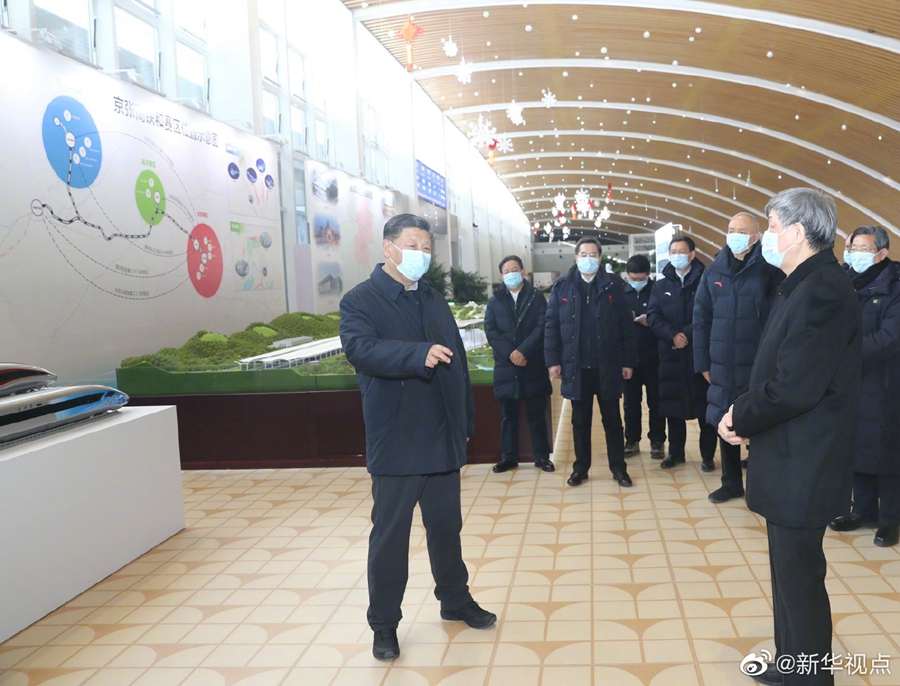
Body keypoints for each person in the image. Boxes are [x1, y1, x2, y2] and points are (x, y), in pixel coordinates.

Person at [720, 188, 862, 686]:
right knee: (787, 577)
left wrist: (740, 416)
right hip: (791, 454)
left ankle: (810, 677)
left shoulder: (822, 290)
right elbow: (777, 367)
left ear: (798, 231)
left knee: (800, 582)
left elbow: (794, 387)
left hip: (805, 459)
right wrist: (743, 406)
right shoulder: (801, 282)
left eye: (773, 227)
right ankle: (792, 664)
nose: (766, 237)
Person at [339, 214, 496, 661]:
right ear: (388, 248)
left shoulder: (433, 298)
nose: (421, 255)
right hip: (397, 439)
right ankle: (384, 623)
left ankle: (455, 599)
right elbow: (361, 350)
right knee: (390, 538)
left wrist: (464, 424)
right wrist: (417, 354)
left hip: (442, 436)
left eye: (427, 247)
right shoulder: (360, 300)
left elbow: (457, 362)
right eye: (413, 245)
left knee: (447, 528)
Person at [693, 213, 784, 502]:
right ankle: (731, 482)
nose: (734, 235)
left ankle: (762, 483)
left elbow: (779, 318)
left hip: (758, 362)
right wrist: (703, 363)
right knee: (725, 418)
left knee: (760, 419)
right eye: (731, 229)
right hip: (722, 362)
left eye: (741, 231)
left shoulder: (770, 269)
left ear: (756, 237)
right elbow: (700, 318)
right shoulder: (714, 270)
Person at [545, 236, 637, 487]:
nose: (588, 259)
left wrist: (628, 362)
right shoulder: (562, 287)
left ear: (600, 258)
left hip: (607, 365)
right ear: (576, 258)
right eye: (583, 255)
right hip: (576, 366)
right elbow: (551, 326)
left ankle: (619, 468)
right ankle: (580, 469)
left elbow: (626, 327)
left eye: (593, 255)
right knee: (580, 421)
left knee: (613, 421)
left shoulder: (614, 286)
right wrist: (553, 360)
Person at [829, 226, 900, 548]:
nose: (855, 254)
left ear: (882, 253)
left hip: (884, 382)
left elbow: (890, 336)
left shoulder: (895, 285)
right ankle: (863, 510)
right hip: (849, 381)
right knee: (855, 446)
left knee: (885, 451)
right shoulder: (844, 281)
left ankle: (890, 519)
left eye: (864, 248)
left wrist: (845, 353)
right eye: (852, 247)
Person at [647, 236, 717, 470]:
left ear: (692, 254)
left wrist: (685, 335)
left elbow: (709, 314)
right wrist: (672, 336)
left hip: (699, 353)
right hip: (671, 355)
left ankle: (707, 456)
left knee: (705, 408)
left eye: (682, 251)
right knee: (673, 408)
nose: (677, 255)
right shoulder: (660, 285)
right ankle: (675, 453)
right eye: (673, 251)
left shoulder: (706, 280)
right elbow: (653, 316)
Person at [484, 255, 554, 473]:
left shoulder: (536, 298)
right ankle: (508, 458)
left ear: (523, 272)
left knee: (536, 414)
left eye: (515, 270)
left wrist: (523, 351)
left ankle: (541, 457)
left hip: (532, 363)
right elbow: (491, 330)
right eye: (507, 271)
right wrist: (511, 353)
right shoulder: (495, 301)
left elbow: (542, 326)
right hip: (507, 367)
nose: (511, 274)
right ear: (501, 276)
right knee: (508, 416)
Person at [622, 254, 666, 460]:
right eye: (633, 279)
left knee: (656, 402)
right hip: (629, 359)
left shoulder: (657, 291)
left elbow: (666, 319)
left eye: (641, 279)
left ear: (648, 275)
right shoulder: (621, 293)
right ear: (627, 275)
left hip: (654, 356)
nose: (637, 282)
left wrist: (652, 321)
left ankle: (657, 441)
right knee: (631, 403)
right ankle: (631, 440)